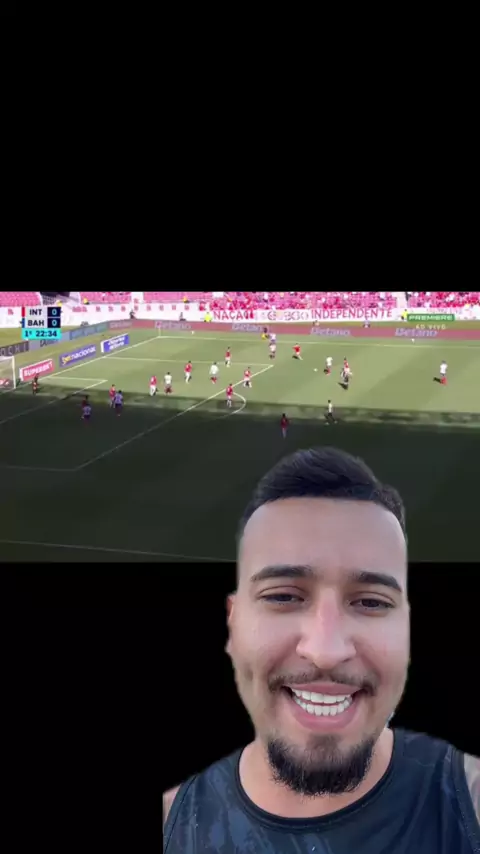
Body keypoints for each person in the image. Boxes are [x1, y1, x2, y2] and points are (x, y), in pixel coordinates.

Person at [163, 447, 480, 853]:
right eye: (283, 597)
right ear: (233, 622)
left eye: (371, 602)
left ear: (408, 627)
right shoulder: (172, 827)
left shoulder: (468, 804)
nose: (326, 651)